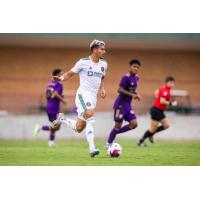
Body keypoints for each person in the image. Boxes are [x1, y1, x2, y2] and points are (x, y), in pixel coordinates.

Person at [51, 39, 108, 157]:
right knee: (90, 115)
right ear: (94, 49)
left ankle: (62, 119)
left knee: (79, 128)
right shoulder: (83, 62)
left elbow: (102, 78)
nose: (104, 51)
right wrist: (61, 79)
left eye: (104, 49)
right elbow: (70, 73)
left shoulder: (104, 64)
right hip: (82, 94)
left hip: (93, 98)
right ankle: (92, 148)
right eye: (102, 49)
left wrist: (102, 89)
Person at [106, 59, 142, 148]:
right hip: (120, 105)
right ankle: (108, 143)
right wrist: (132, 95)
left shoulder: (137, 78)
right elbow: (119, 89)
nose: (136, 68)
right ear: (130, 67)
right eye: (134, 66)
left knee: (134, 124)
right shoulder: (125, 77)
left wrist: (136, 94)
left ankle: (114, 133)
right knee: (118, 125)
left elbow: (132, 89)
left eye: (137, 67)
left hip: (128, 106)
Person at [138, 76, 177, 146]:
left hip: (160, 111)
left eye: (173, 82)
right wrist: (171, 103)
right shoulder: (165, 91)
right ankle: (141, 141)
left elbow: (156, 92)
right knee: (152, 129)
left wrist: (158, 98)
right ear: (166, 83)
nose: (172, 84)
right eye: (170, 82)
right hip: (156, 110)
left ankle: (151, 135)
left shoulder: (164, 89)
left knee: (166, 125)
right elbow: (162, 101)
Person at [33, 69, 66, 147]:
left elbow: (48, 95)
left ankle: (51, 142)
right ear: (57, 75)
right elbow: (56, 94)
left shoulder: (50, 84)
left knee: (55, 126)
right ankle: (40, 128)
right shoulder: (59, 84)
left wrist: (60, 96)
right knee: (56, 125)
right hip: (54, 107)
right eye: (61, 74)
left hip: (49, 106)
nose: (62, 76)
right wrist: (63, 100)